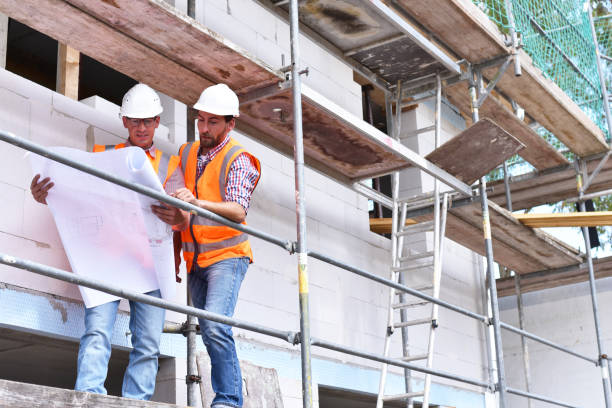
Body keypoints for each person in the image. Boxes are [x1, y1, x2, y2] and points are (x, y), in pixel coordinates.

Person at [30, 83, 188, 400]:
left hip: (150, 265)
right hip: (107, 261)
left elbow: (184, 220)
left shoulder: (172, 167)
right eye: (135, 121)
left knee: (148, 343)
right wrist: (46, 197)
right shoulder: (102, 157)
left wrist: (179, 218)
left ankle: (136, 403)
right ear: (124, 121)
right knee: (97, 331)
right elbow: (77, 198)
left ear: (158, 121)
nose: (141, 127)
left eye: (147, 121)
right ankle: (89, 397)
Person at [172, 83, 261, 408]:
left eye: (212, 121)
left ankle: (228, 400)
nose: (204, 127)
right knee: (208, 328)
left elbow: (238, 210)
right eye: (200, 119)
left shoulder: (239, 160)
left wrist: (196, 202)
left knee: (214, 324)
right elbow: (170, 193)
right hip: (195, 259)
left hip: (227, 257)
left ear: (230, 123)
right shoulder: (185, 153)